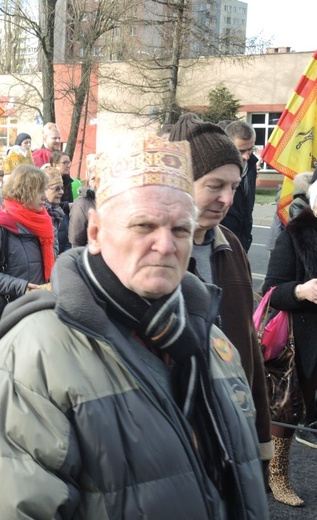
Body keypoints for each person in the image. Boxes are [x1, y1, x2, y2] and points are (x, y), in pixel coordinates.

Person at [0, 136, 268, 519]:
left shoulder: (210, 340)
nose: (165, 245)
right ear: (95, 233)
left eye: (180, 230)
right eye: (144, 226)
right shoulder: (29, 362)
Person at [169, 112, 273, 490]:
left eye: (235, 185)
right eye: (215, 185)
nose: (228, 199)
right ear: (182, 180)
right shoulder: (153, 255)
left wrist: (261, 440)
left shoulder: (232, 248)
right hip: (175, 445)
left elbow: (249, 346)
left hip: (233, 430)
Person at [262, 180, 317, 507]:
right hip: (304, 340)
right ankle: (277, 474)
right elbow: (271, 291)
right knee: (289, 410)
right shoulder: (294, 236)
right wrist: (302, 291)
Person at [0, 164, 56, 319]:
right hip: (11, 314)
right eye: (40, 191)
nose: (45, 196)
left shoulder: (44, 224)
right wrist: (21, 287)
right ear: (24, 192)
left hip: (39, 310)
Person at [220, 121, 258, 252]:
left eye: (251, 149)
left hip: (243, 241)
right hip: (223, 243)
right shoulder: (218, 169)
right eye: (241, 151)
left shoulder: (252, 165)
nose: (247, 156)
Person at [68, 153, 98, 247]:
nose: (98, 183)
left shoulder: (114, 200)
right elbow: (75, 242)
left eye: (101, 177)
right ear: (88, 179)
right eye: (94, 178)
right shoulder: (83, 204)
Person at [43, 167, 71, 253]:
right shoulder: (38, 214)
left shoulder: (60, 213)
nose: (61, 192)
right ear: (44, 190)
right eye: (57, 188)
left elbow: (68, 241)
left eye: (62, 188)